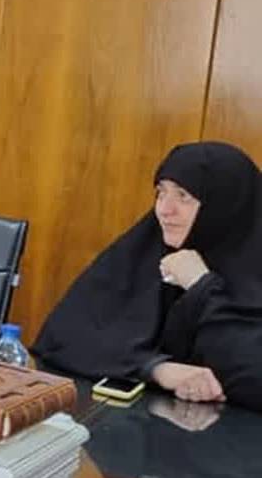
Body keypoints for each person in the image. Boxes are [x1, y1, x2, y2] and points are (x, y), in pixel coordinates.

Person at [33, 141, 262, 410]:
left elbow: (252, 378)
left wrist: (201, 286)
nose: (164, 209)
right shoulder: (145, 249)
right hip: (142, 421)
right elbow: (61, 338)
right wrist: (156, 368)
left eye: (183, 196)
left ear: (224, 205)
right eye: (160, 193)